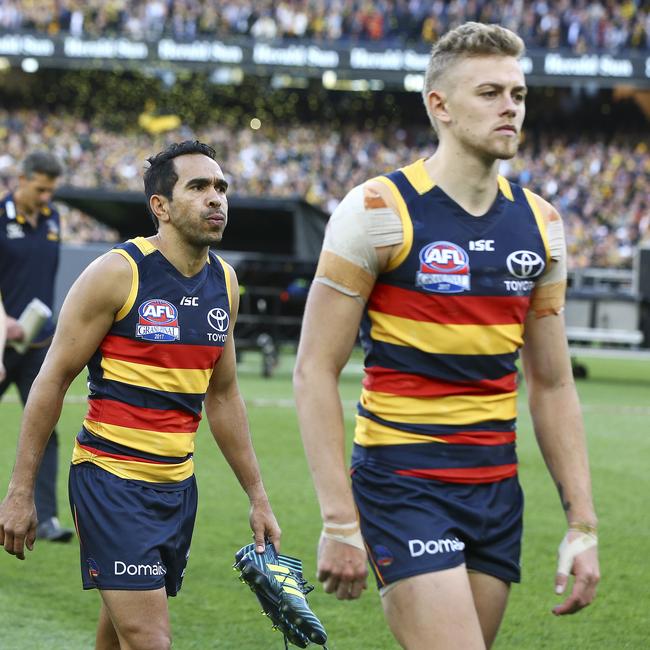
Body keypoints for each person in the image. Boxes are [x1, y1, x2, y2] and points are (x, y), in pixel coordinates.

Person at [293, 22, 600, 650]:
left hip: (494, 490)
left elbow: (552, 382)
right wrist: (338, 520)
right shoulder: (377, 211)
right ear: (440, 106)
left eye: (517, 93)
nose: (510, 106)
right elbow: (314, 370)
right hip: (404, 482)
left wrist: (583, 525)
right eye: (489, 92)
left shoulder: (542, 223)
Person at [0, 140, 281, 649]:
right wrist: (21, 492)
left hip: (177, 488)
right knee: (149, 637)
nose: (216, 198)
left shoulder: (226, 283)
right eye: (198, 187)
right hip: (111, 482)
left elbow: (223, 396)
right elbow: (52, 377)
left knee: (118, 631)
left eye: (221, 187)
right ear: (162, 207)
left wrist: (258, 496)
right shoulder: (117, 272)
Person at [0, 151, 73, 542]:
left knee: (45, 428)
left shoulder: (53, 220)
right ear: (22, 180)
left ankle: (44, 518)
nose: (47, 197)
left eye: (52, 190)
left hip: (39, 345)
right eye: (41, 188)